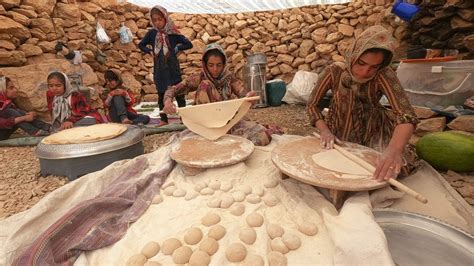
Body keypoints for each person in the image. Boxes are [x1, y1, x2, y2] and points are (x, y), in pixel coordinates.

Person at [306, 25, 419, 182]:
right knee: (330, 169)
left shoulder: (384, 74)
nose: (365, 72)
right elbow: (312, 105)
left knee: (383, 173)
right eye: (361, 63)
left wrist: (394, 149)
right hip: (337, 132)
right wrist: (325, 131)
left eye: (373, 67)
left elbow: (406, 115)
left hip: (371, 132)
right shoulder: (334, 71)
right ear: (353, 55)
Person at [163, 43, 281, 146]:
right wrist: (168, 102)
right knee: (205, 85)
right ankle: (214, 136)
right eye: (211, 65)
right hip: (206, 125)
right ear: (205, 64)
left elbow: (242, 92)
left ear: (224, 64)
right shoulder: (198, 78)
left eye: (219, 65)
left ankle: (223, 138)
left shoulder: (229, 78)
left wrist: (249, 96)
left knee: (262, 138)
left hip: (227, 122)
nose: (215, 69)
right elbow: (173, 90)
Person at [138, 5, 193, 127]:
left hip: (173, 68)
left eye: (160, 19)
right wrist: (149, 51)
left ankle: (183, 118)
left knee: (179, 93)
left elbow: (189, 44)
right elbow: (141, 45)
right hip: (160, 70)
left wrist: (178, 47)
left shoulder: (173, 33)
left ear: (165, 18)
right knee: (161, 94)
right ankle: (164, 119)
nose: (158, 22)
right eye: (155, 20)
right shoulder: (152, 34)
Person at [0, 76, 51, 140]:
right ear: (2, 90)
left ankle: (48, 127)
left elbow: (17, 112)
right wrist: (24, 118)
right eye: (11, 88)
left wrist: (28, 115)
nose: (15, 90)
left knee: (17, 111)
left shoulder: (6, 102)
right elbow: (2, 123)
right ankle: (34, 131)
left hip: (5, 133)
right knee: (10, 111)